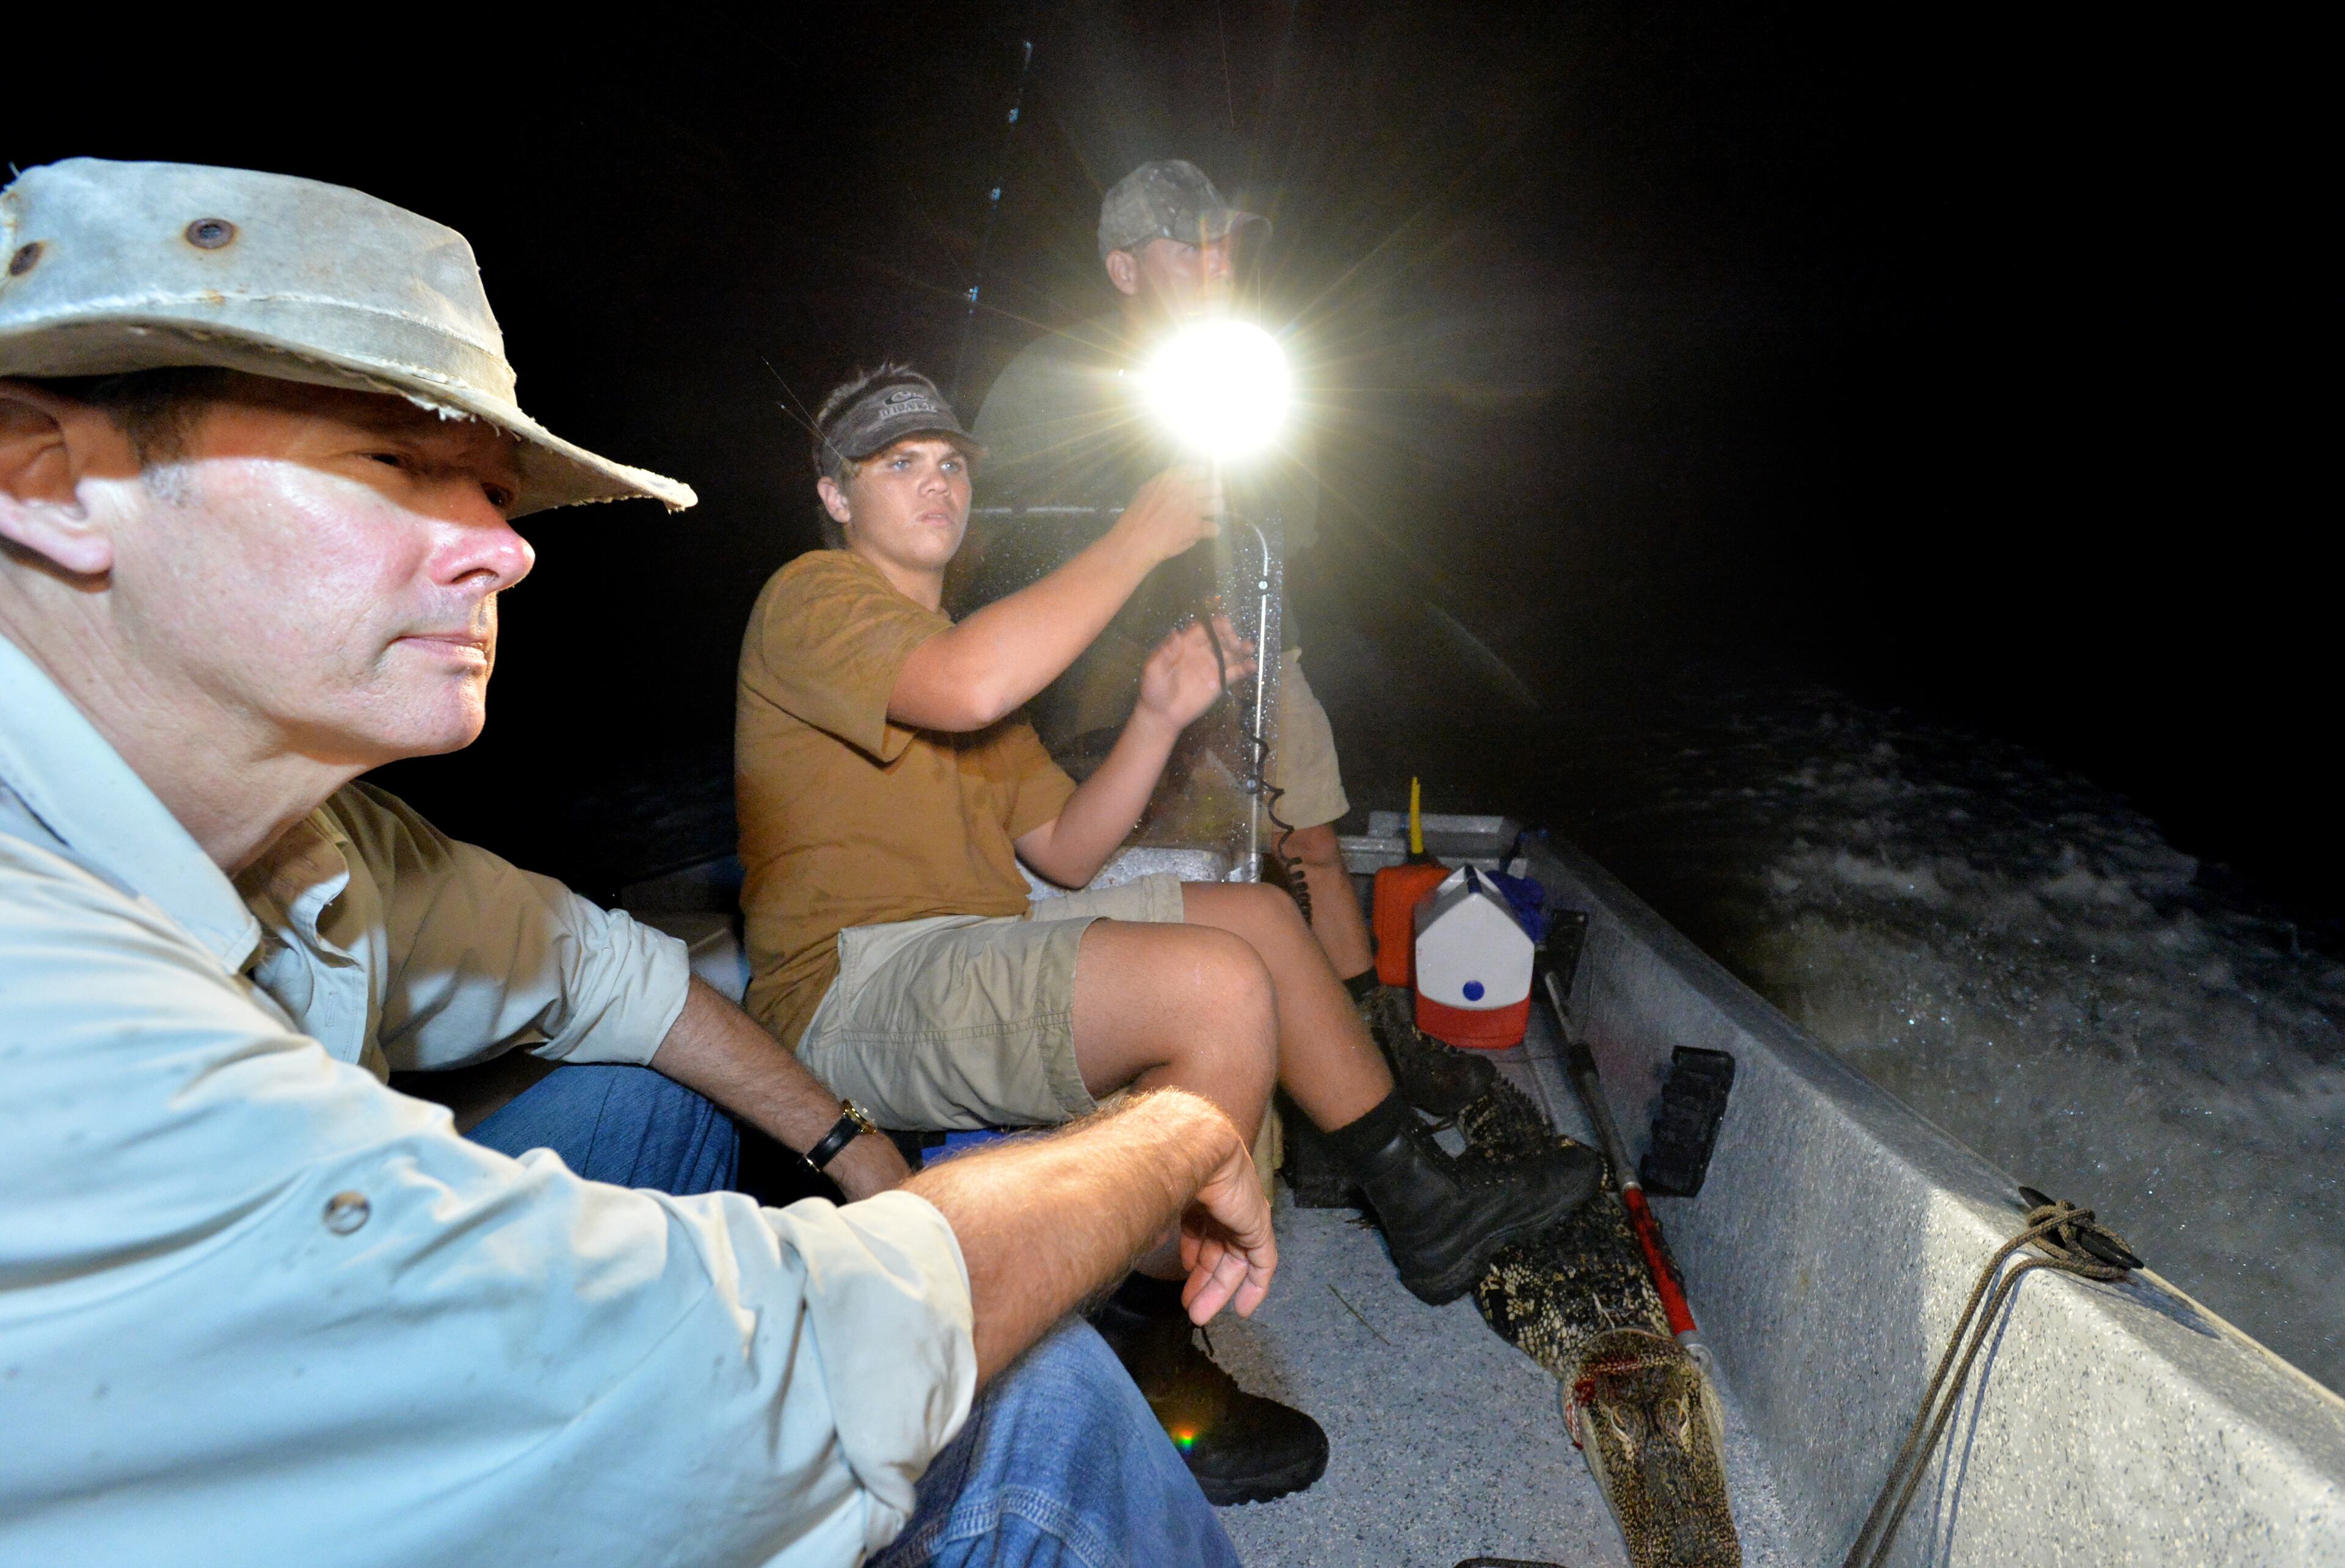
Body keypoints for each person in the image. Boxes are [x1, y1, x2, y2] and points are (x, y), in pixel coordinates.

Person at [0, 157, 1267, 1568]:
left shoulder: (318, 849)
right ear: (54, 486)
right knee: (1024, 1399)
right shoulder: (55, 1022)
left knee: (639, 1075)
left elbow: (605, 969)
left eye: (492, 486)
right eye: (395, 464)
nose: (508, 551)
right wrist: (1170, 1136)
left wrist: (856, 1152)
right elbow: (777, 1389)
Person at [732, 361, 1601, 1505]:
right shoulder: (816, 601)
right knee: (1212, 989)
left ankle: (1421, 1202)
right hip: (849, 988)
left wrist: (1156, 713)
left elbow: (1066, 851)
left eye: (951, 464)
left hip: (972, 935)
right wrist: (1141, 537)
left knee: (1253, 920)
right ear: (838, 497)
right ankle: (1155, 1365)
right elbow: (967, 682)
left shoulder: (963, 655)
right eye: (899, 466)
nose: (937, 486)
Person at [969, 158, 1495, 1134]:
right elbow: (1000, 537)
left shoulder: (1253, 365)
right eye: (1187, 248)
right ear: (1124, 270)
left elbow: (1290, 527)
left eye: (1222, 246)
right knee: (1188, 855)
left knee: (1314, 843)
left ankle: (1376, 1048)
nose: (1214, 267)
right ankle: (1241, 1069)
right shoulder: (1051, 381)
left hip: (1252, 640)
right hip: (1104, 662)